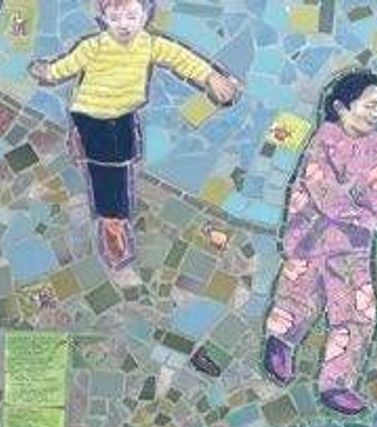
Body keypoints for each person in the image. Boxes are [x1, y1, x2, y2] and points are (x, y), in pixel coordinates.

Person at [30, 0, 241, 271]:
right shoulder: (93, 46)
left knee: (127, 159)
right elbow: (65, 67)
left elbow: (182, 59)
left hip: (124, 116)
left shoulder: (150, 44)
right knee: (108, 169)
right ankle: (112, 222)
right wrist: (47, 71)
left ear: (145, 16)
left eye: (131, 16)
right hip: (91, 116)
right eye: (115, 17)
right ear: (103, 18)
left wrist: (211, 77)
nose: (124, 24)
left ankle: (113, 214)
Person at [261, 68, 377, 416]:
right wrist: (371, 219)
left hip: (351, 246)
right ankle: (281, 342)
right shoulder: (324, 139)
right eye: (369, 105)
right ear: (343, 107)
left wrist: (368, 217)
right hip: (311, 236)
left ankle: (336, 382)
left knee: (358, 312)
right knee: (299, 295)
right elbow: (323, 191)